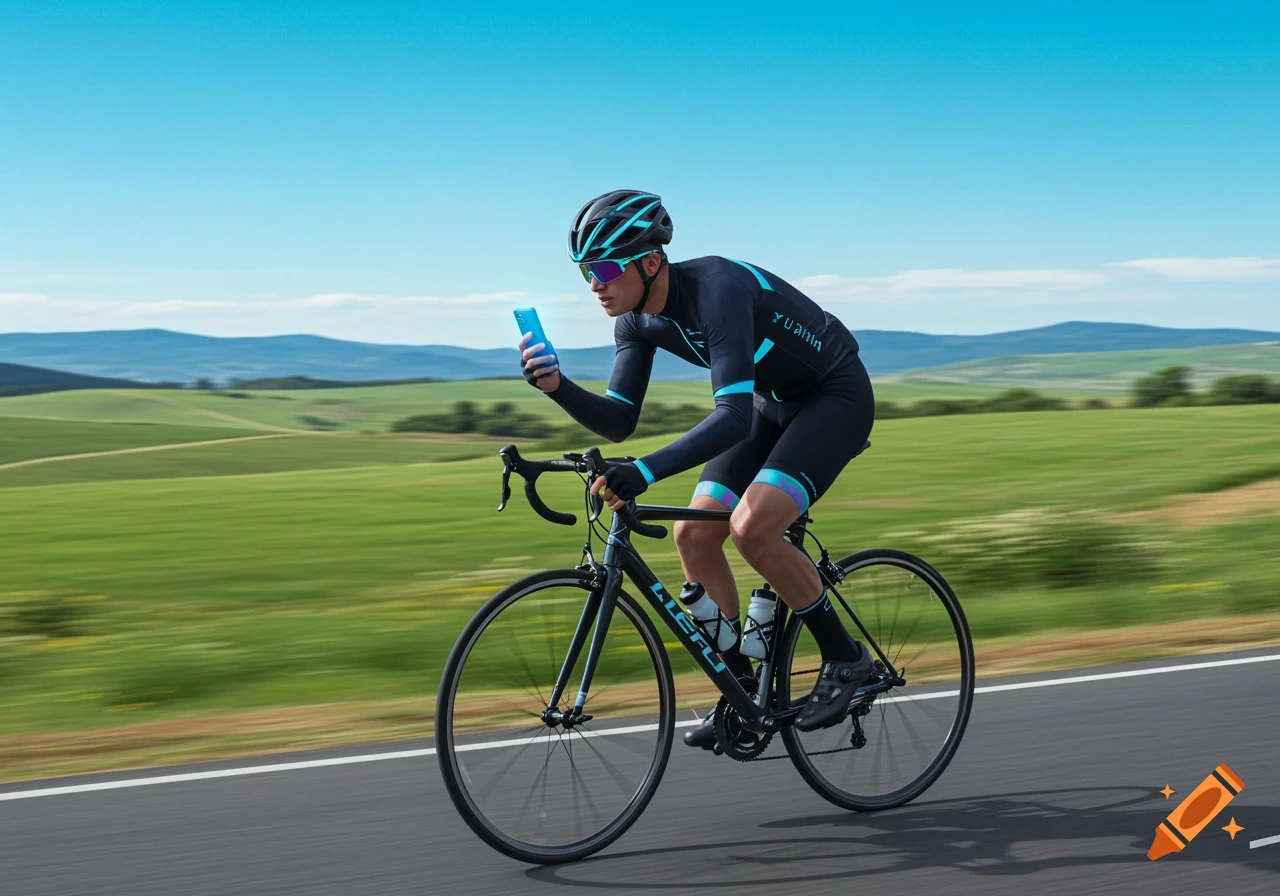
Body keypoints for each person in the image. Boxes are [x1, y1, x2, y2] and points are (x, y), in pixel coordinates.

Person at [519, 189, 876, 747]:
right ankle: (742, 692)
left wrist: (645, 471)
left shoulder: (718, 288)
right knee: (693, 533)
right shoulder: (635, 322)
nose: (594, 284)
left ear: (650, 262)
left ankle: (847, 658)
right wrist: (557, 387)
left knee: (752, 529)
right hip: (770, 402)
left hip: (834, 396)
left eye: (605, 268)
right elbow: (620, 420)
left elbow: (731, 418)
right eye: (586, 271)